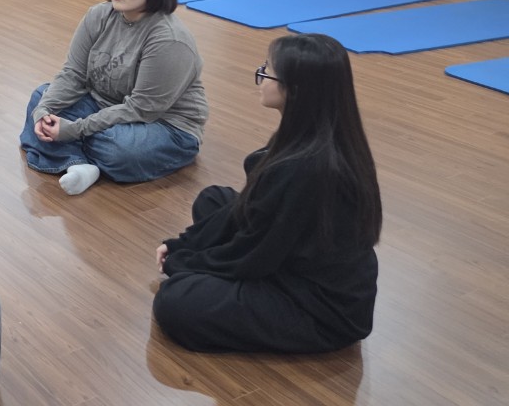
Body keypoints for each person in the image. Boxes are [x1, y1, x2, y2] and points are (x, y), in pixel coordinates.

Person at [153, 33, 382, 353]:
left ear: (296, 89)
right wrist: (184, 244)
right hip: (293, 258)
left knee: (175, 300)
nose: (261, 77)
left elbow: (253, 254)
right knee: (214, 198)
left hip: (323, 311)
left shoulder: (307, 168)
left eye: (268, 71)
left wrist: (184, 261)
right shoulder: (314, 134)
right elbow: (249, 211)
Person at [20, 0, 207, 195]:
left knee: (118, 149)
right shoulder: (98, 15)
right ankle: (79, 165)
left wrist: (74, 129)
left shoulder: (169, 40)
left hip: (165, 125)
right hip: (105, 105)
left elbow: (141, 109)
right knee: (40, 98)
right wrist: (45, 109)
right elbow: (74, 74)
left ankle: (67, 152)